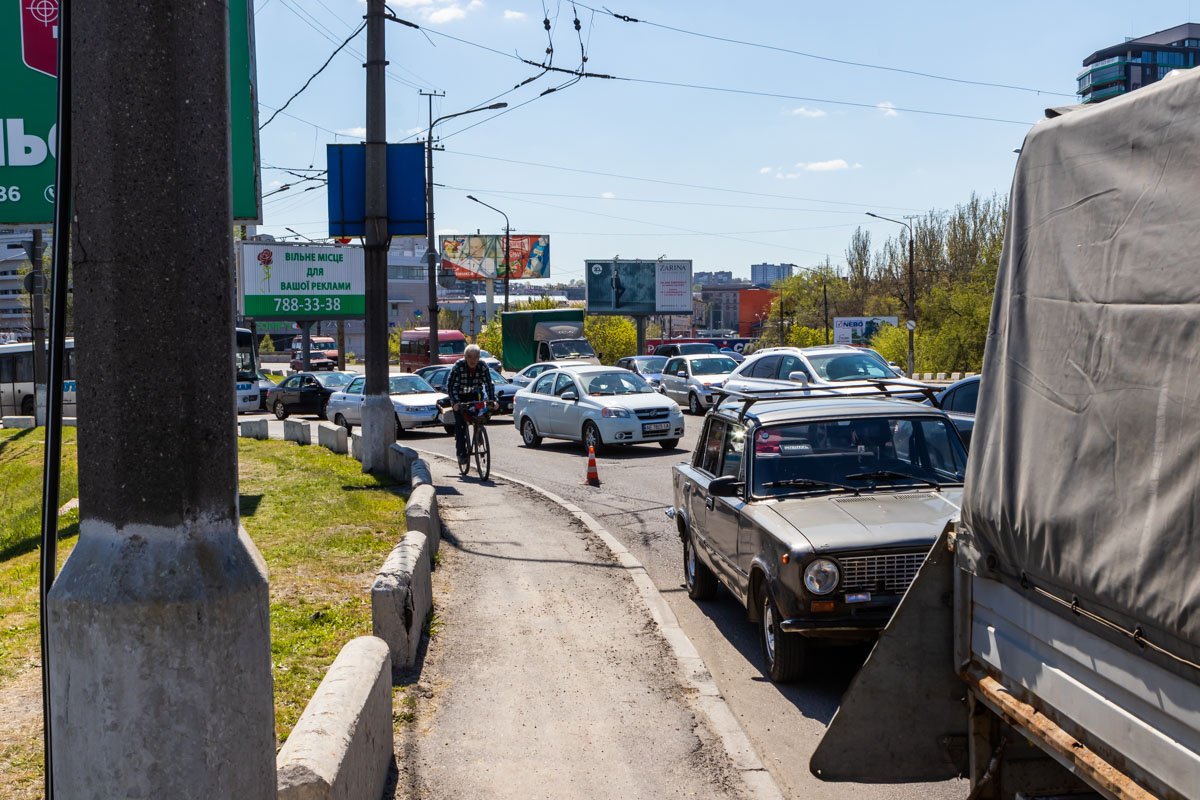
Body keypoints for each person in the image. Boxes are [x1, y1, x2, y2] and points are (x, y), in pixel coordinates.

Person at [447, 344, 497, 463]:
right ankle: (461, 454)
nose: (472, 360)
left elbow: (489, 384)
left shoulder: (482, 366)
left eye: (475, 357)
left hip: (475, 395)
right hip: (459, 396)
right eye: (469, 357)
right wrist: (455, 403)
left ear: (479, 357)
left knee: (480, 415)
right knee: (460, 425)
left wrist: (492, 400)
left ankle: (478, 432)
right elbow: (451, 386)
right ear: (465, 357)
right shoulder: (458, 366)